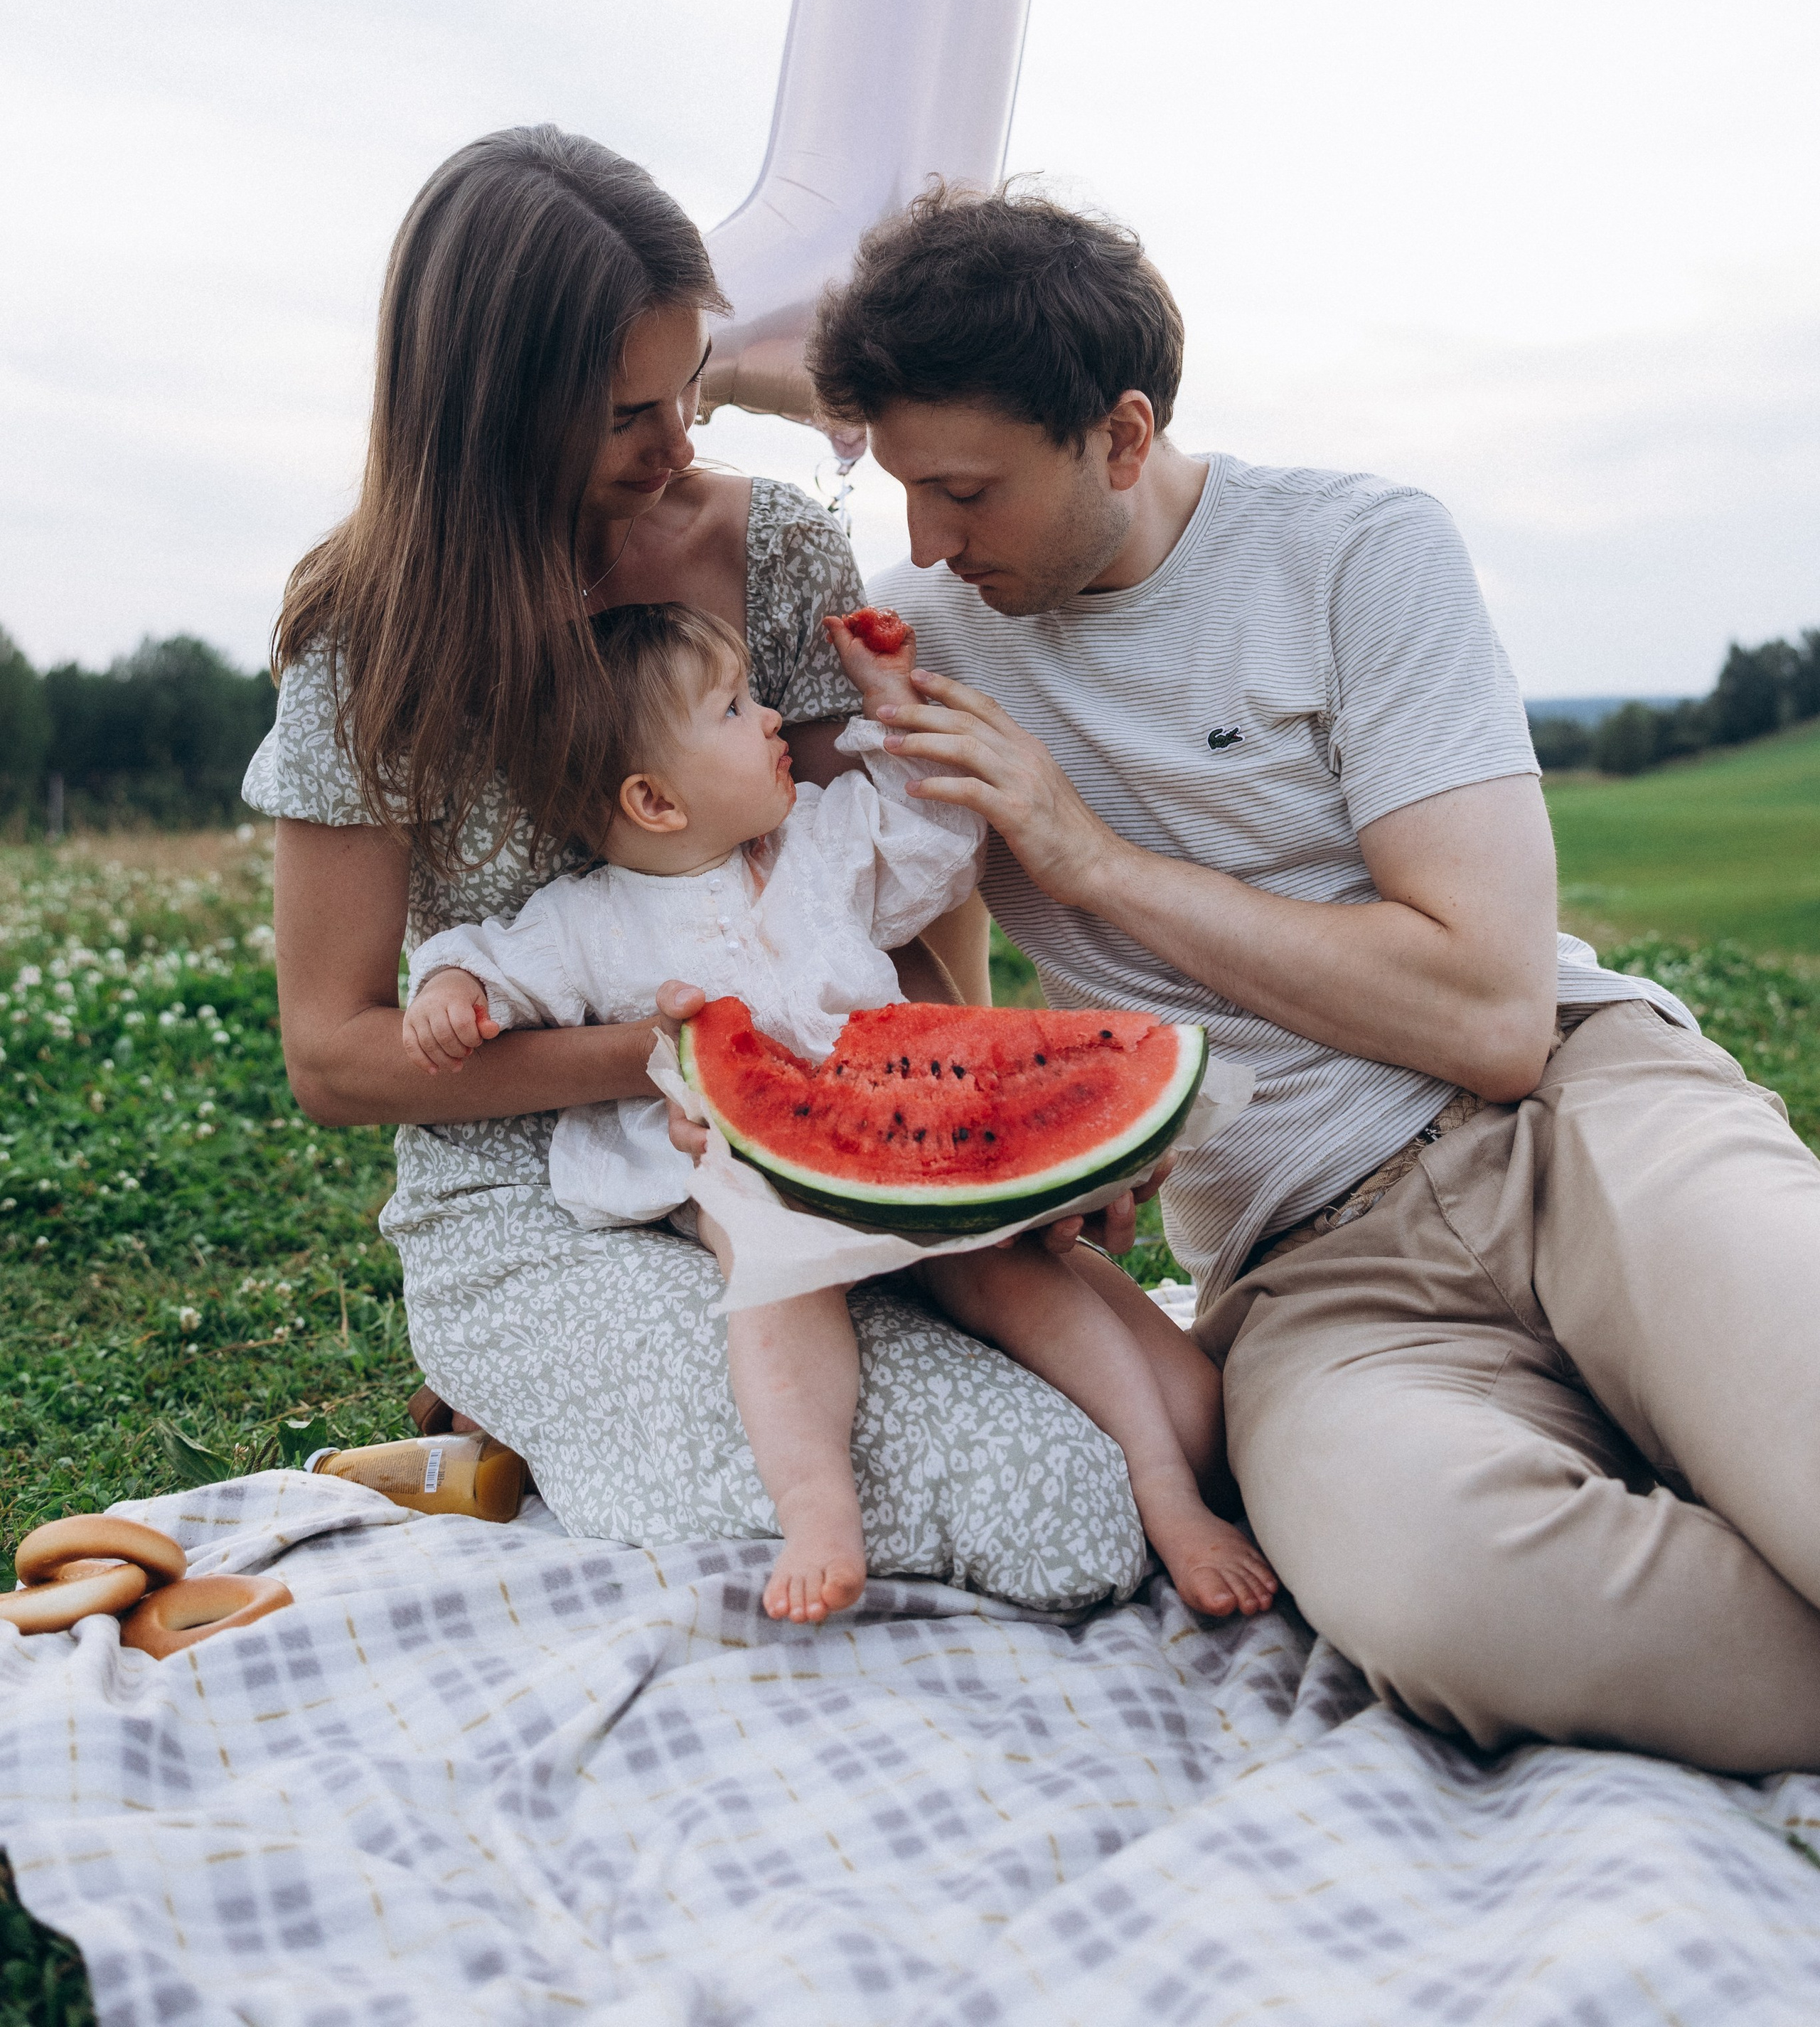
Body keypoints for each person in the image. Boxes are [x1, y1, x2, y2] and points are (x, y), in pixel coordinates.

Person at [803, 180, 1820, 1775]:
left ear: (1120, 436)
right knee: (1453, 1600)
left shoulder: (1357, 549)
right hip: (1305, 1267)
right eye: (905, 488)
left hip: (1580, 1125)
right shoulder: (913, 649)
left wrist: (1089, 861)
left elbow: (1490, 1014)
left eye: (967, 492)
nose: (928, 541)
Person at [240, 127, 1154, 1603]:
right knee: (1057, 1500)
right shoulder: (367, 642)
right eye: (625, 414)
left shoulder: (774, 550)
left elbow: (875, 882)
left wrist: (970, 1125)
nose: (678, 442)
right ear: (488, 411)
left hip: (822, 1148)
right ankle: (529, 1387)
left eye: (689, 386)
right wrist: (677, 1054)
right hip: (542, 1202)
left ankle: (577, 1440)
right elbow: (333, 1056)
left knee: (1162, 1421)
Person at [398, 600, 1275, 1625]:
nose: (772, 717)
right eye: (735, 709)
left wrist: (889, 698)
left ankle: (1167, 1490)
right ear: (654, 800)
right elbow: (488, 960)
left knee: (1009, 1270)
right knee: (771, 1284)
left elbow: (934, 837)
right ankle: (818, 1507)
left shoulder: (818, 840)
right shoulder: (586, 921)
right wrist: (450, 991)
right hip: (744, 1174)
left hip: (901, 1133)